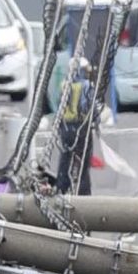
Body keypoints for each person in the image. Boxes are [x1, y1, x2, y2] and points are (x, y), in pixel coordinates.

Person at [53, 56, 95, 196]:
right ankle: (84, 194)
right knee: (83, 163)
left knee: (65, 161)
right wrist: (95, 121)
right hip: (81, 128)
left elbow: (59, 108)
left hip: (66, 129)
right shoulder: (87, 86)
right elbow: (88, 108)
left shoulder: (64, 85)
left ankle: (61, 189)